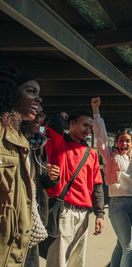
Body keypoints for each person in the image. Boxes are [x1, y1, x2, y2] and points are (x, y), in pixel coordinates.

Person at [91, 97, 132, 267]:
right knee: (130, 246)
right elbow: (101, 135)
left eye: (127, 141)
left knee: (121, 243)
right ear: (116, 142)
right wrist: (96, 111)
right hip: (117, 206)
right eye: (121, 140)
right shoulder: (110, 156)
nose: (124, 143)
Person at [44, 109, 105, 267]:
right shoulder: (58, 143)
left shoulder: (91, 154)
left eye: (90, 127)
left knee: (77, 261)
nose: (88, 130)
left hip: (83, 214)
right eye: (85, 125)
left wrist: (100, 214)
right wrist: (61, 116)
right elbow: (52, 126)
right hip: (64, 210)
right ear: (71, 123)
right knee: (57, 260)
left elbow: (97, 185)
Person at [0, 67, 43, 266]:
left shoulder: (19, 139)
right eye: (31, 91)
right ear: (10, 92)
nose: (38, 99)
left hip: (20, 240)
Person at [21, 106, 60, 267]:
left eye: (41, 116)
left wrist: (53, 177)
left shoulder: (37, 146)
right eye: (35, 116)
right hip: (14, 219)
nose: (39, 120)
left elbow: (42, 179)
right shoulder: (7, 145)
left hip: (33, 220)